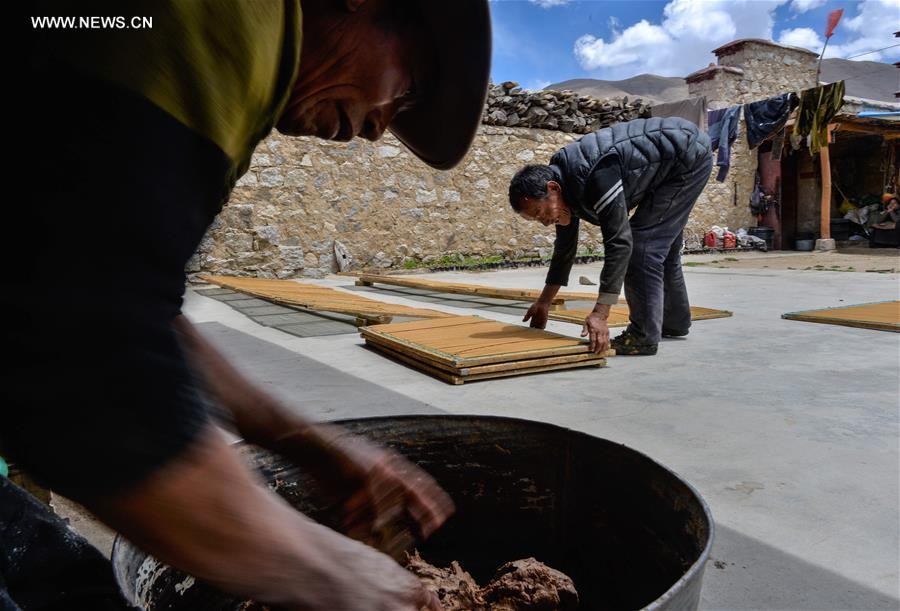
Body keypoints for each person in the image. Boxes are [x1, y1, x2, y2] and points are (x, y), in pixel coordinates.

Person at [5, 1, 490, 609]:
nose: (377, 130)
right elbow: (83, 353)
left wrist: (314, 449)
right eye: (408, 90)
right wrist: (325, 571)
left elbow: (114, 286)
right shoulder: (226, 19)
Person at [508, 117, 713, 356]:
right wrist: (544, 302)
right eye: (535, 219)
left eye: (539, 212)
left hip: (686, 157)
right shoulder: (564, 186)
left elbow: (620, 241)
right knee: (660, 248)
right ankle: (675, 322)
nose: (543, 222)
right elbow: (565, 249)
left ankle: (643, 336)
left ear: (552, 189)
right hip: (669, 159)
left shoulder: (594, 173)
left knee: (642, 247)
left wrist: (600, 313)